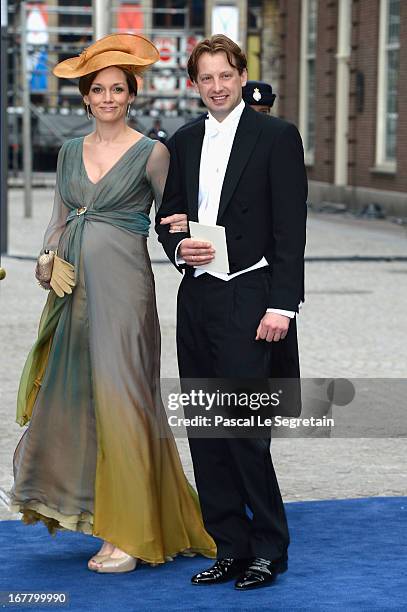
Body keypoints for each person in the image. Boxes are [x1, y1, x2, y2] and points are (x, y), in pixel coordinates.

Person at [10, 33, 216, 574]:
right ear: (85, 97)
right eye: (97, 89)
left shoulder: (153, 153)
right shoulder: (68, 152)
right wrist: (44, 260)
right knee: (82, 399)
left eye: (117, 89)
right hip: (73, 291)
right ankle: (102, 516)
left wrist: (200, 252)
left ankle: (129, 532)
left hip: (126, 292)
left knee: (124, 398)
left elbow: (175, 219)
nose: (107, 98)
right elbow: (58, 220)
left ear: (132, 94)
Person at [156, 34, 307, 590]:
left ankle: (269, 547)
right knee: (206, 431)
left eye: (226, 75)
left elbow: (292, 229)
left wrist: (282, 306)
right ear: (193, 84)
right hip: (197, 296)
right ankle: (229, 546)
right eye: (206, 78)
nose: (217, 87)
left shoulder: (276, 136)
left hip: (251, 295)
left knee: (243, 432)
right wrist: (177, 249)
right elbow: (168, 215)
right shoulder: (185, 139)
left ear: (241, 75)